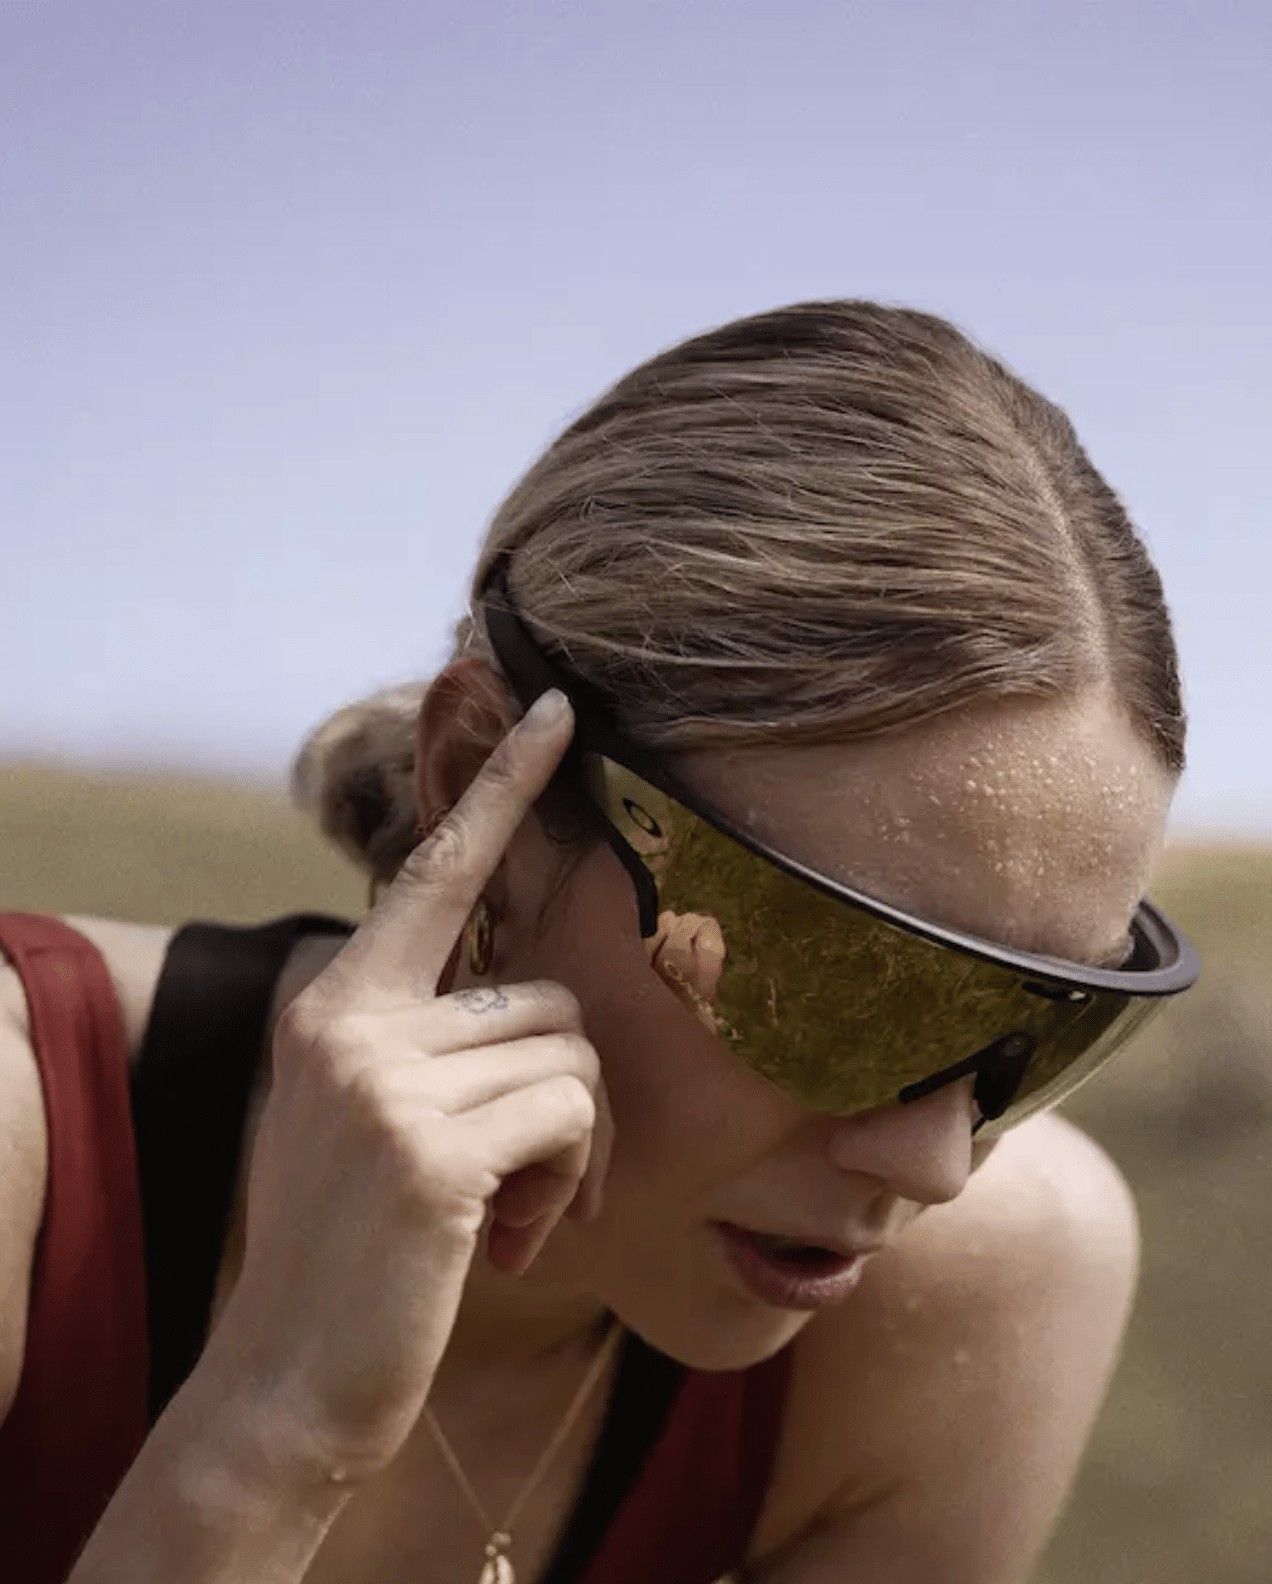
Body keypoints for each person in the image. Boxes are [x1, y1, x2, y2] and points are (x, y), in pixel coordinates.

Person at [0, 299, 1199, 1584]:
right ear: (476, 779)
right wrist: (271, 1434)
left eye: (1044, 1022)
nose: (936, 1163)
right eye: (842, 983)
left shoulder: (976, 1291)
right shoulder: (31, 1147)